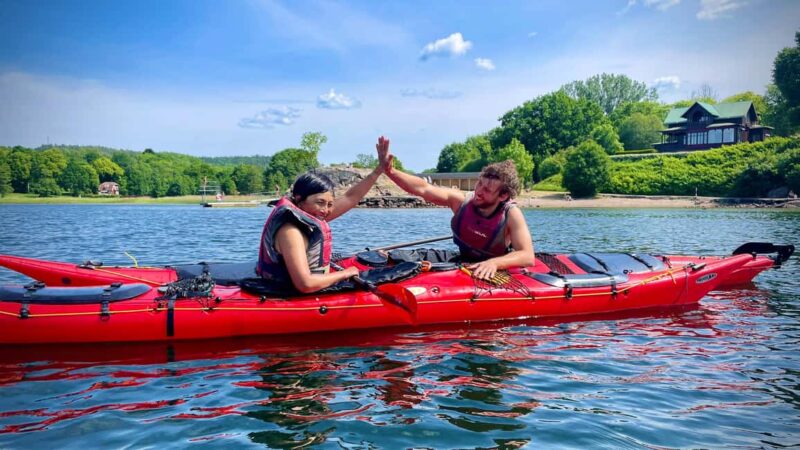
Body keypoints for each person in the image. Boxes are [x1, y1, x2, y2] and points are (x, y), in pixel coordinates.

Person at [380, 138, 534, 280]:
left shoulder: (511, 214)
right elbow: (423, 189)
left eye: (487, 190)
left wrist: (494, 263)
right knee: (397, 257)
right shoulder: (461, 201)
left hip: (494, 267)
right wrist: (390, 172)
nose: (479, 192)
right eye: (479, 183)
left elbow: (527, 256)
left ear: (503, 195)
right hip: (460, 260)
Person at [257, 137, 390, 293]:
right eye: (320, 202)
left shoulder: (309, 215)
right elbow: (305, 284)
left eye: (329, 204)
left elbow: (350, 197)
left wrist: (378, 171)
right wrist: (346, 273)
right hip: (293, 294)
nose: (326, 210)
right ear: (299, 199)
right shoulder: (290, 231)